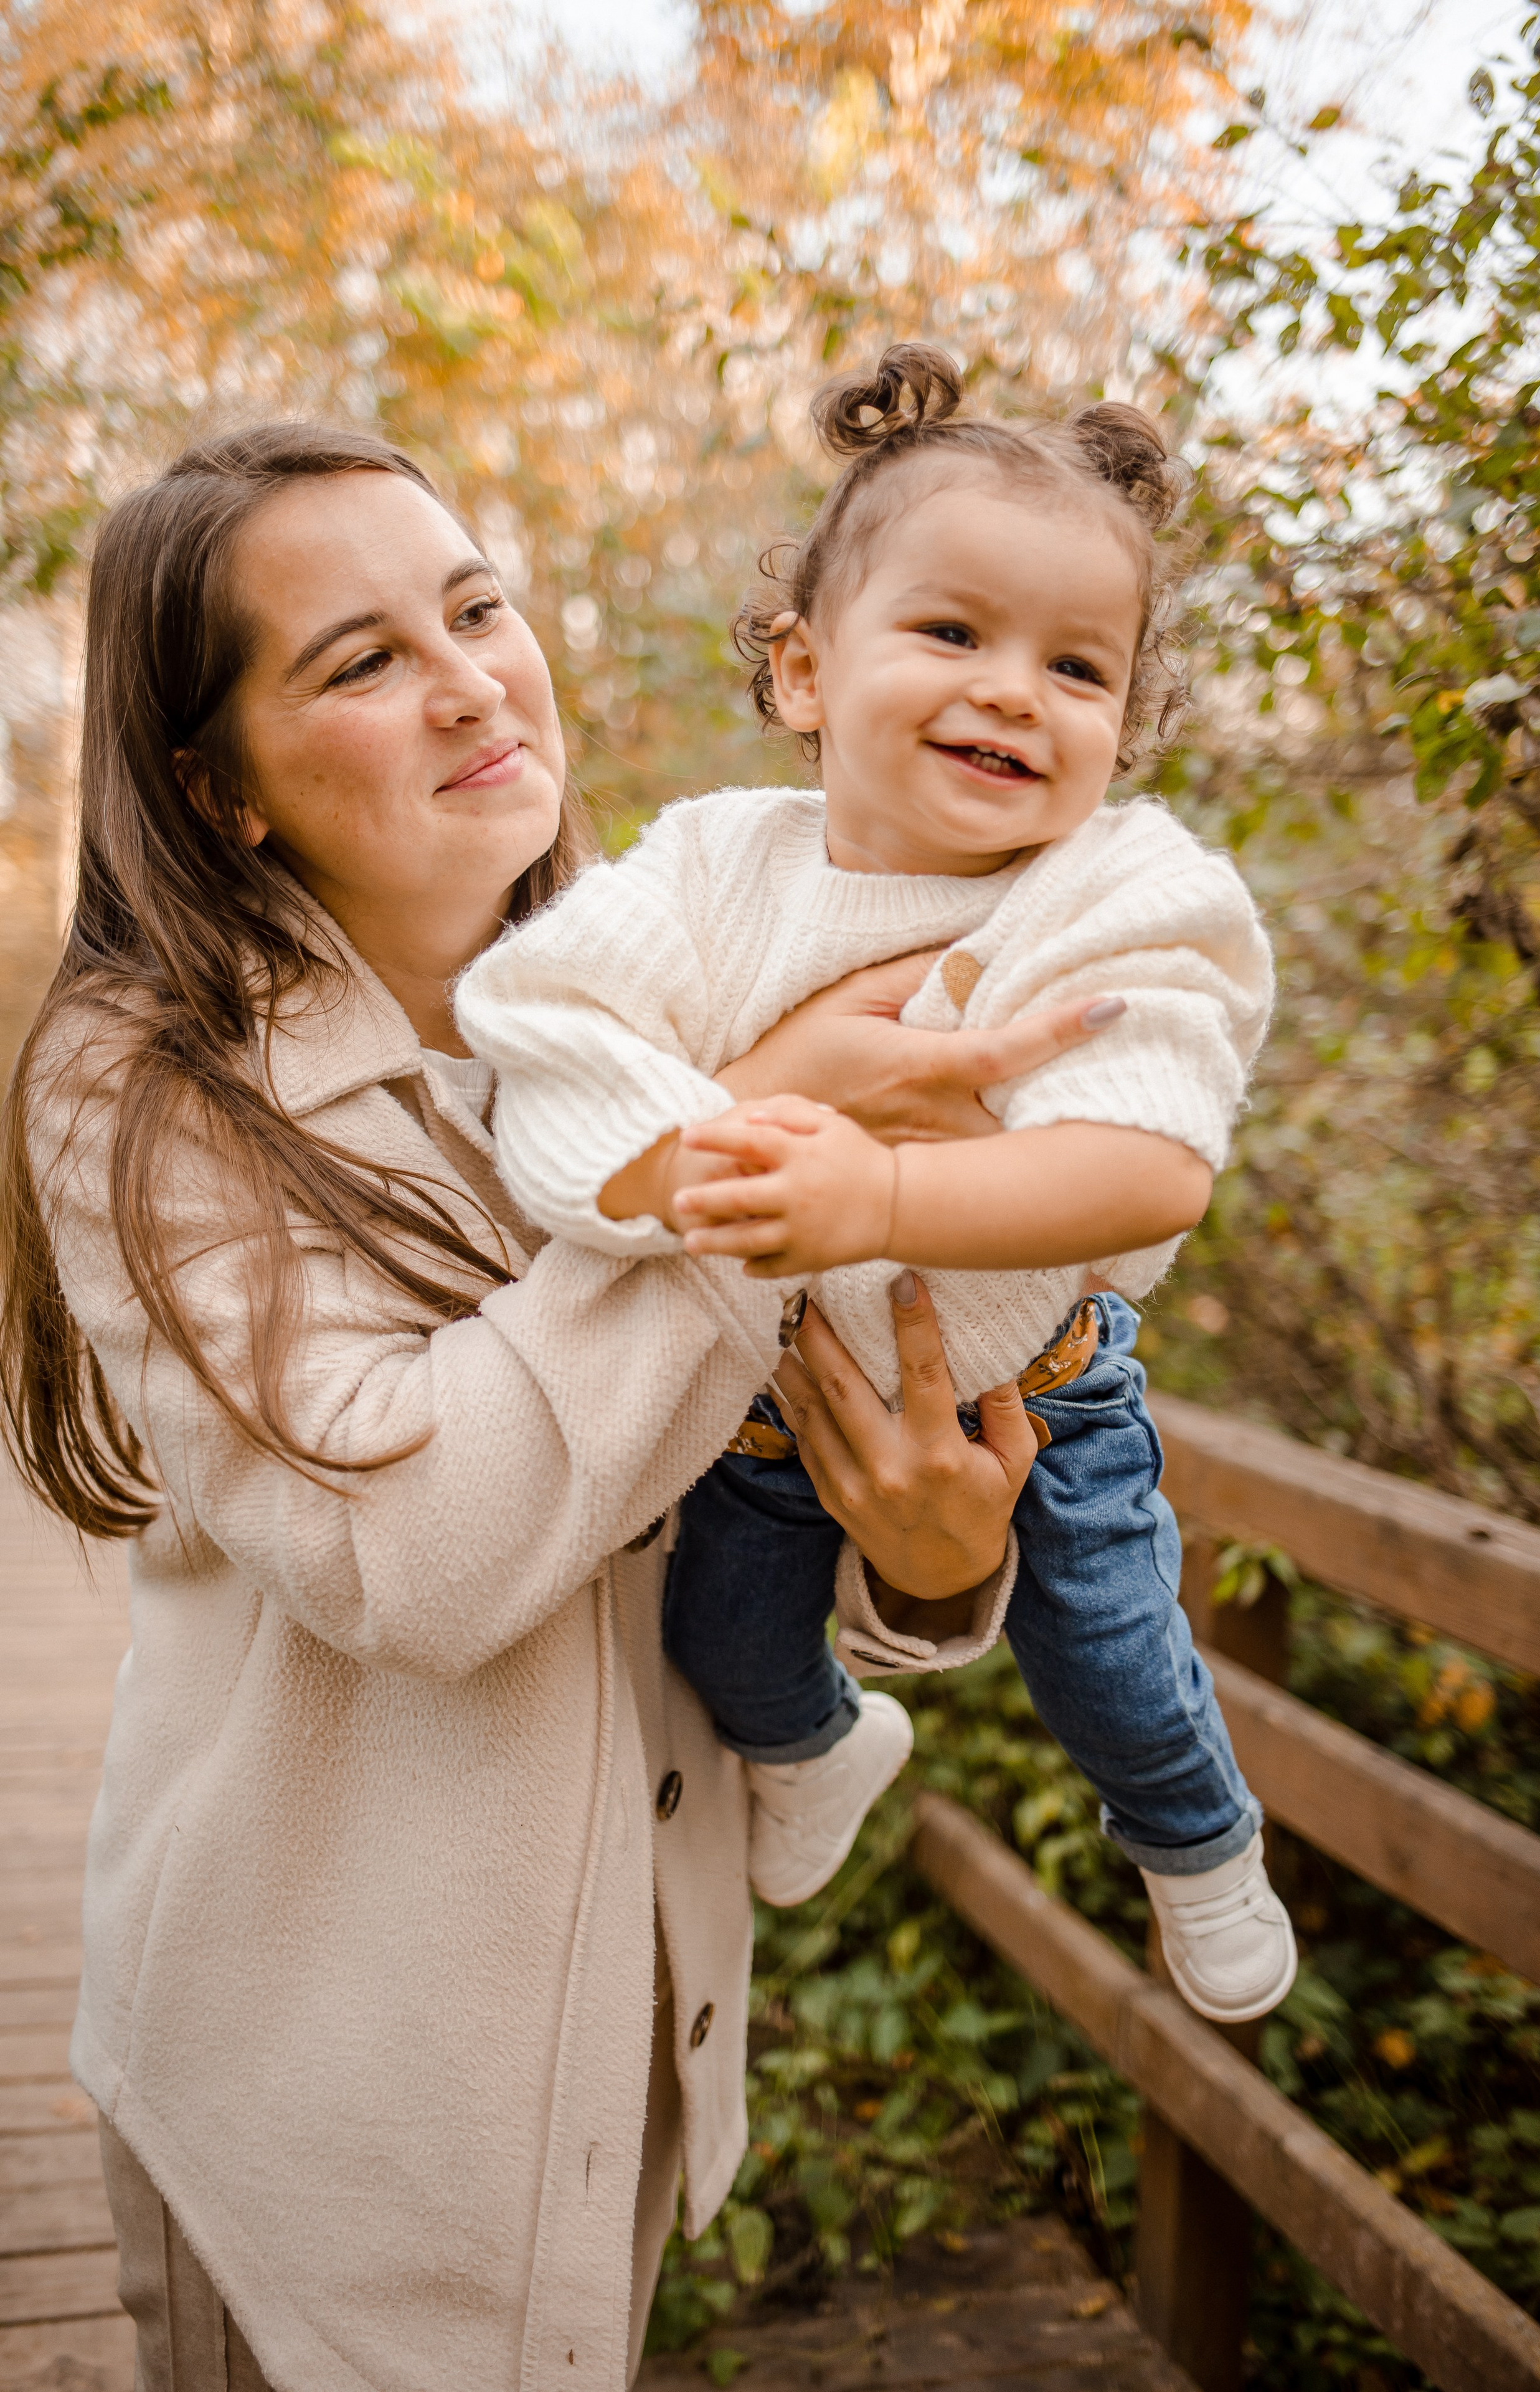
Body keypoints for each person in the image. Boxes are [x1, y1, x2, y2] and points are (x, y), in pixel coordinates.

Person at [0, 423, 1117, 2391]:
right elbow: (412, 1551)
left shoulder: (667, 980)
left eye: (476, 606)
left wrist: (936, 1576)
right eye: (357, 662)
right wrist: (762, 1140)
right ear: (217, 785)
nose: (470, 681)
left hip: (622, 2040)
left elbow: (780, 1459)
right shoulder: (147, 1089)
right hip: (331, 2131)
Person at [456, 343, 1298, 2028]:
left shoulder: (1122, 888)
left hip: (1046, 1403)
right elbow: (544, 1031)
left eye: (1079, 666)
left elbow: (1147, 1164)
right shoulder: (712, 866)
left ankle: (1200, 1843)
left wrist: (880, 1207)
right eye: (952, 632)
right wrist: (696, 1161)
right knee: (725, 1646)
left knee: (1121, 1672)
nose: (1014, 691)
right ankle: (824, 1750)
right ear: (801, 671)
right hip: (765, 1408)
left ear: (1125, 727)